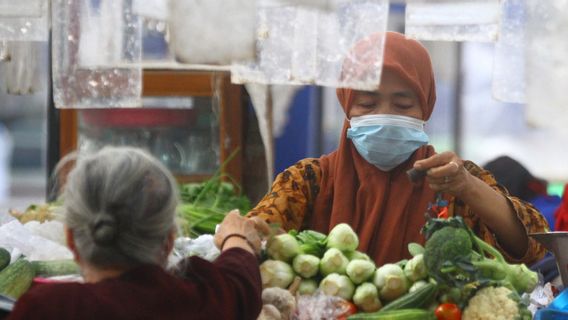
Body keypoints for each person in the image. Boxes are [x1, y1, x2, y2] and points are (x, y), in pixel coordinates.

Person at [247, 32, 548, 267]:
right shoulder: (308, 181)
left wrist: (469, 187)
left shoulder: (453, 182)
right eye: (367, 104)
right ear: (347, 105)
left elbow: (535, 245)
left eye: (403, 105)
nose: (385, 115)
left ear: (425, 107)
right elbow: (253, 238)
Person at [8, 147, 262, 320]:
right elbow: (240, 284)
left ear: (72, 240)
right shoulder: (200, 302)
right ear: (169, 241)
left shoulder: (47, 310)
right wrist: (235, 238)